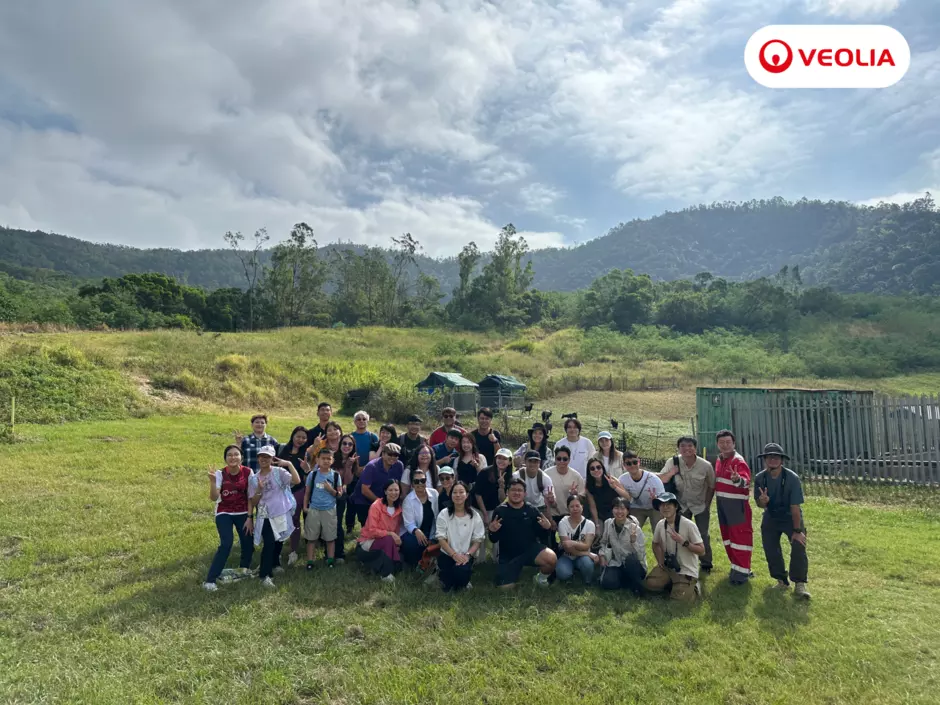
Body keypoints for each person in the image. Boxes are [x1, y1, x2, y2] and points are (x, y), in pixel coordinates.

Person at [753, 443, 810, 599]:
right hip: (771, 515)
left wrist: (797, 531)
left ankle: (799, 584)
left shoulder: (792, 478)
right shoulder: (760, 478)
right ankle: (781, 580)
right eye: (769, 457)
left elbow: (795, 507)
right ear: (764, 460)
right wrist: (763, 501)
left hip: (790, 516)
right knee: (770, 548)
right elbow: (759, 504)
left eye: (776, 457)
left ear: (782, 460)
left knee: (799, 545)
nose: (772, 459)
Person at [658, 436, 716, 573]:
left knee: (702, 535)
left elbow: (711, 486)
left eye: (690, 446)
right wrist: (672, 472)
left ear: (695, 448)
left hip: (700, 505)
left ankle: (706, 563)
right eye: (683, 446)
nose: (686, 449)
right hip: (681, 505)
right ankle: (679, 561)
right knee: (678, 533)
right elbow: (660, 478)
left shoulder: (706, 465)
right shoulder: (673, 462)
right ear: (678, 448)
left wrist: (707, 504)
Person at [488, 477, 557, 588]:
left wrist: (546, 528)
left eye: (520, 490)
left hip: (529, 549)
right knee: (504, 588)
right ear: (507, 493)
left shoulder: (532, 510)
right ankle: (514, 574)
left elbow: (542, 535)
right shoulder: (500, 511)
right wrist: (492, 531)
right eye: (513, 490)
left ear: (525, 494)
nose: (516, 493)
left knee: (551, 558)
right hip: (508, 554)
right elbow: (493, 539)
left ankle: (540, 579)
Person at [248, 446, 300, 588]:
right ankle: (265, 575)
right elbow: (253, 501)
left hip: (281, 512)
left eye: (268, 457)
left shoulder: (279, 472)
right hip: (265, 515)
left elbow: (297, 481)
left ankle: (276, 564)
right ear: (258, 458)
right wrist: (259, 490)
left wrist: (289, 464)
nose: (264, 459)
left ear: (272, 459)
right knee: (269, 543)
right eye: (262, 456)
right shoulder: (253, 478)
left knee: (279, 540)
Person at [204, 445, 254, 591]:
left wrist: (250, 517)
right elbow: (214, 498)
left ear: (241, 457)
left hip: (243, 511)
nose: (233, 457)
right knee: (226, 544)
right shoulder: (220, 473)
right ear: (225, 458)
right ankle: (210, 580)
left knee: (248, 542)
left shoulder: (248, 472)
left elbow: (251, 497)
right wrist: (212, 482)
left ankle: (243, 570)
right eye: (229, 455)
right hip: (224, 511)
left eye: (236, 454)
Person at [644, 492, 705, 602]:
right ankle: (675, 584)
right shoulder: (661, 524)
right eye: (662, 505)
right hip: (669, 567)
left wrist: (684, 542)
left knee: (678, 602)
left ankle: (694, 588)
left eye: (669, 505)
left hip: (686, 570)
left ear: (676, 507)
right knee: (650, 583)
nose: (665, 508)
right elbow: (655, 544)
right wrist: (660, 561)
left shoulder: (688, 525)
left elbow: (702, 551)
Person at [714, 429, 753, 585]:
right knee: (729, 539)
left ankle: (741, 576)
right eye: (722, 442)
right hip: (723, 506)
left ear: (734, 443)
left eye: (728, 442)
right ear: (717, 444)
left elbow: (745, 480)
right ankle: (737, 568)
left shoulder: (738, 461)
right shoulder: (719, 460)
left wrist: (738, 479)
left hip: (737, 507)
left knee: (740, 540)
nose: (725, 445)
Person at [436, 481, 485, 592]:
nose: (458, 495)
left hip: (465, 556)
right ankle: (442, 575)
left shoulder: (474, 515)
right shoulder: (444, 514)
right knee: (447, 587)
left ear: (467, 495)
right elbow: (441, 538)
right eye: (455, 492)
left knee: (460, 575)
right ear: (451, 495)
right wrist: (453, 555)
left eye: (461, 492)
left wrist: (467, 556)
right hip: (447, 555)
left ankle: (464, 580)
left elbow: (478, 540)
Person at [356, 479, 405, 582]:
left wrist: (396, 541)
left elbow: (396, 530)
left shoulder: (399, 509)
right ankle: (386, 574)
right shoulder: (376, 505)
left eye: (396, 490)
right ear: (385, 491)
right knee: (388, 539)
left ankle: (391, 568)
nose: (393, 493)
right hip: (368, 540)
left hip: (386, 541)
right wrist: (390, 534)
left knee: (395, 544)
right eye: (390, 490)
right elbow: (372, 531)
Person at [302, 447, 343, 569]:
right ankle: (310, 561)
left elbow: (339, 494)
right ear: (318, 460)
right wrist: (305, 507)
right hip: (314, 509)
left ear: (332, 460)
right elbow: (307, 493)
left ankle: (330, 559)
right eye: (323, 458)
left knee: (330, 537)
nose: (326, 461)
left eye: (328, 459)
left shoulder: (336, 475)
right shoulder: (313, 475)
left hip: (329, 510)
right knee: (311, 538)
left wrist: (331, 490)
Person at [598, 497, 647, 594]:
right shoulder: (608, 523)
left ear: (628, 511)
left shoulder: (634, 528)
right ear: (612, 510)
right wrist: (602, 555)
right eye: (616, 508)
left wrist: (633, 542)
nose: (619, 511)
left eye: (623, 508)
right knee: (607, 583)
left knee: (630, 560)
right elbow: (603, 542)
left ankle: (637, 587)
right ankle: (626, 581)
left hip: (635, 566)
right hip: (617, 563)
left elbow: (641, 555)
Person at [350, 444, 404, 528]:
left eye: (396, 455)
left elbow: (399, 484)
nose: (393, 457)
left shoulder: (399, 466)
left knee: (383, 527)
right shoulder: (371, 466)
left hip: (383, 499)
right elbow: (364, 490)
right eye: (390, 454)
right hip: (363, 501)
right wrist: (381, 504)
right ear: (383, 454)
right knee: (368, 529)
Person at [277, 426, 309, 567]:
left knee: (295, 520)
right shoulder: (281, 449)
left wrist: (307, 469)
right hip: (280, 491)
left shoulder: (306, 454)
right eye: (298, 436)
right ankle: (276, 550)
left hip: (298, 490)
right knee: (279, 519)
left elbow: (308, 474)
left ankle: (293, 551)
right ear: (293, 436)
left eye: (303, 437)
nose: (300, 440)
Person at [472, 448, 510, 562]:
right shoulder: (485, 472)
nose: (501, 461)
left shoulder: (509, 476)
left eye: (505, 459)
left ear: (509, 461)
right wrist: (485, 514)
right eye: (499, 458)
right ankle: (479, 557)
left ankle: (496, 557)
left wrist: (502, 486)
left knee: (496, 532)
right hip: (478, 507)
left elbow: (502, 499)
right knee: (480, 534)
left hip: (495, 508)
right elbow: (477, 495)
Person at [512, 451, 555, 545]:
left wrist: (550, 518)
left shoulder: (545, 478)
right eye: (530, 461)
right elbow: (511, 496)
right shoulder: (517, 476)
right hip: (521, 506)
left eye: (535, 461)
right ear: (525, 461)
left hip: (540, 507)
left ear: (539, 463)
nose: (533, 464)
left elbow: (549, 501)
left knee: (544, 532)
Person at [401, 468, 440, 569]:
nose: (420, 483)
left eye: (422, 480)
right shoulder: (408, 500)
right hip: (416, 532)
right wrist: (416, 530)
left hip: (432, 531)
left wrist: (433, 537)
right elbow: (408, 523)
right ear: (412, 484)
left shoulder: (434, 494)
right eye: (416, 481)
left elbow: (438, 516)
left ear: (426, 482)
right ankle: (413, 564)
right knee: (410, 542)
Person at [618, 451, 665, 535]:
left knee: (659, 533)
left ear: (639, 462)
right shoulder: (622, 479)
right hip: (636, 508)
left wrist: (656, 499)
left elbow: (663, 498)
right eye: (628, 463)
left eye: (635, 462)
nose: (632, 465)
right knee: (631, 532)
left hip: (654, 507)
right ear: (624, 465)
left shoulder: (653, 479)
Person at [554, 495, 597, 584]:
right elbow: (567, 547)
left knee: (587, 565)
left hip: (582, 557)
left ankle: (587, 580)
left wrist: (573, 542)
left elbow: (586, 546)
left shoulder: (590, 524)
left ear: (582, 507)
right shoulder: (563, 523)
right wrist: (588, 553)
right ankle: (570, 573)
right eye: (572, 506)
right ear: (568, 508)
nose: (575, 509)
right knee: (562, 573)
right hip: (566, 555)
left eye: (577, 506)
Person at [585, 458, 631, 531]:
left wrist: (615, 487)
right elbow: (592, 506)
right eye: (592, 468)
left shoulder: (611, 479)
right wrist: (597, 524)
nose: (596, 470)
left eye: (598, 467)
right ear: (589, 471)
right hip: (600, 515)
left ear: (603, 468)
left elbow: (627, 497)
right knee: (597, 533)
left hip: (616, 512)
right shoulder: (589, 486)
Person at [545, 448, 583, 530]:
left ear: (569, 460)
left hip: (570, 514)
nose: (562, 461)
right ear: (555, 459)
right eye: (559, 459)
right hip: (552, 514)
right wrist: (550, 519)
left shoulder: (576, 476)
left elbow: (582, 498)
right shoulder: (546, 474)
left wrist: (575, 494)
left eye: (565, 459)